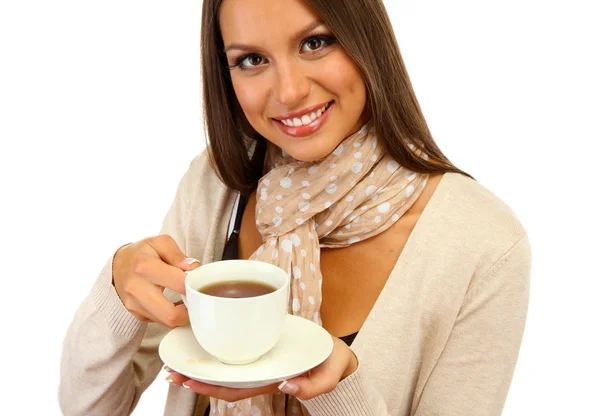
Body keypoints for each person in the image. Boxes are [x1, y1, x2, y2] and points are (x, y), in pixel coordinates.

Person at [59, 0, 531, 415]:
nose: (288, 92)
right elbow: (87, 407)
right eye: (251, 59)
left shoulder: (482, 242)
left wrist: (336, 391)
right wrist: (118, 289)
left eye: (315, 42)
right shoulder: (217, 183)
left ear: (367, 39)